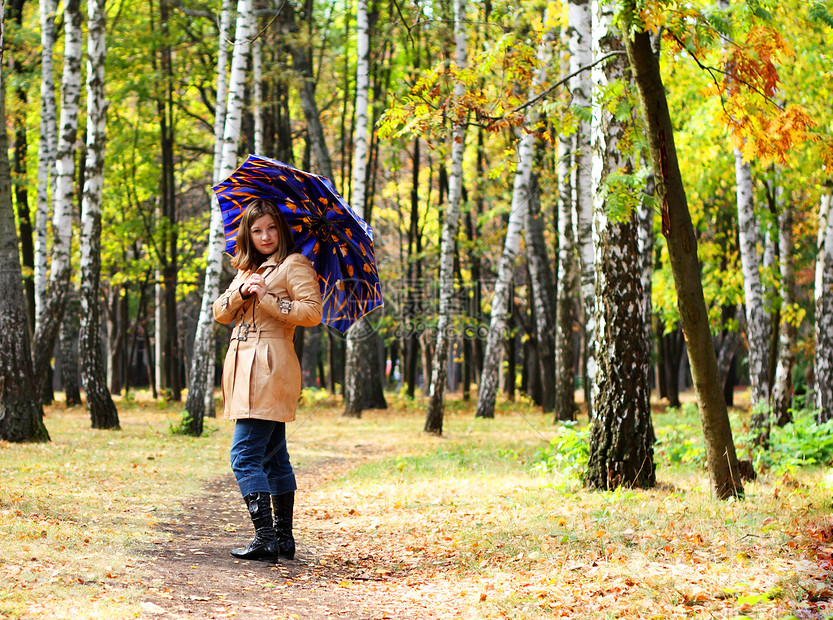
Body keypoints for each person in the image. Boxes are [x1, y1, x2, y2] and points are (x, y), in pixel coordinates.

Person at [212, 198, 323, 562]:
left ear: (282, 229)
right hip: (244, 365)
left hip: (270, 365)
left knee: (244, 455)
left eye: (271, 228)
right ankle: (283, 538)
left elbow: (312, 313)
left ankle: (265, 538)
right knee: (275, 457)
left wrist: (270, 298)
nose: (265, 236)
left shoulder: (294, 265)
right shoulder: (246, 271)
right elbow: (219, 313)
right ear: (248, 233)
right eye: (257, 230)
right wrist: (243, 291)